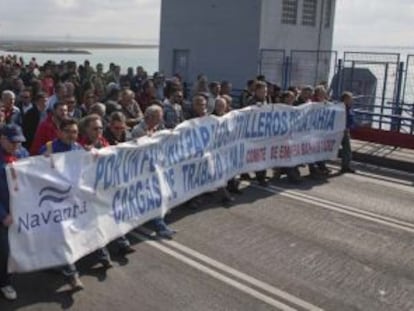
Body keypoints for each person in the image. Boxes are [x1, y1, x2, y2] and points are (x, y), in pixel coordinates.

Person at [38, 119, 85, 290]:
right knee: (63, 236)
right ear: (59, 132)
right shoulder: (48, 149)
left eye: (74, 132)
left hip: (73, 201)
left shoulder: (79, 149)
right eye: (68, 131)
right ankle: (73, 276)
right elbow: (35, 172)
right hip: (54, 203)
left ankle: (53, 263)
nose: (71, 135)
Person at [131, 105, 177, 239]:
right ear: (149, 117)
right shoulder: (138, 130)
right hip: (141, 170)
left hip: (154, 168)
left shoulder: (157, 128)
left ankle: (159, 223)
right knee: (153, 196)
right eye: (158, 118)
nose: (160, 120)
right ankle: (160, 227)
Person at [0, 124, 29, 300]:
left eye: (19, 142)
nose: (16, 146)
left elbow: (35, 170)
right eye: (13, 142)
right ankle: (4, 283)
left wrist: (47, 160)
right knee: (4, 251)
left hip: (17, 210)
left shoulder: (21, 153)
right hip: (4, 214)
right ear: (2, 139)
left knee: (11, 248)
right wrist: (2, 215)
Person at [103, 112, 136, 255]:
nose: (119, 131)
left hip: (121, 179)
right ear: (110, 126)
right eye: (116, 128)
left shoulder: (126, 136)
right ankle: (121, 242)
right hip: (106, 181)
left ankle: (121, 239)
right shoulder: (103, 138)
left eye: (121, 128)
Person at [340, 92, 356, 174]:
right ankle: (345, 166)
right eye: (350, 99)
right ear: (345, 99)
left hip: (346, 130)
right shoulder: (341, 108)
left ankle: (346, 165)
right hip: (341, 130)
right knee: (347, 149)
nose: (352, 100)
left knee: (347, 150)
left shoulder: (348, 107)